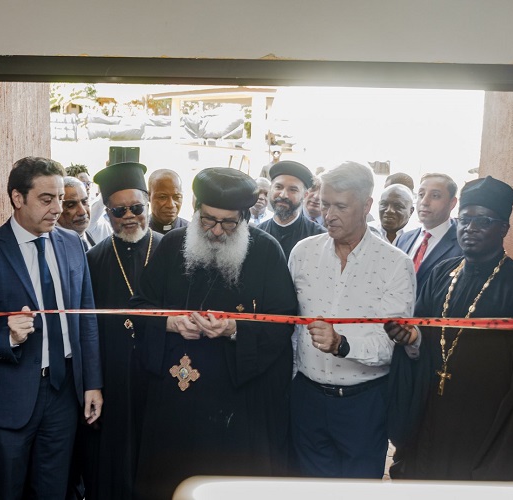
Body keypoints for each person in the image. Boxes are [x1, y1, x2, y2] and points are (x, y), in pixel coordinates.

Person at [131, 167, 298, 500]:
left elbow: (284, 321)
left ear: (244, 218)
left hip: (237, 403)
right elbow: (139, 308)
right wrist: (171, 323)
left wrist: (235, 328)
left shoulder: (266, 252)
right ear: (196, 210)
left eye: (228, 223)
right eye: (208, 220)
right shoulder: (173, 244)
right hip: (177, 397)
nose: (217, 231)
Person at [0, 156, 103, 500]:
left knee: (53, 492)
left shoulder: (72, 243)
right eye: (46, 200)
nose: (57, 208)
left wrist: (92, 383)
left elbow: (87, 318)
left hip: (65, 394)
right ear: (18, 198)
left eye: (60, 198)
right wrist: (6, 336)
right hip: (6, 402)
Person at [385, 175, 513, 481]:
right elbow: (421, 334)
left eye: (483, 221)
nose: (470, 229)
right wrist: (410, 337)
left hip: (480, 422)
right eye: (465, 220)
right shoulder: (442, 273)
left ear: (504, 229)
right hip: (429, 410)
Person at [289, 161, 416, 478]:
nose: (328, 215)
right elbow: (290, 329)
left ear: (367, 206)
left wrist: (341, 344)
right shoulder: (302, 254)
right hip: (305, 400)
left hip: (363, 407)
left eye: (340, 206)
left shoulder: (395, 265)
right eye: (325, 204)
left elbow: (391, 345)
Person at [82, 161, 163, 500]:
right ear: (108, 213)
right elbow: (86, 327)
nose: (129, 216)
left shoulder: (170, 250)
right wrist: (94, 382)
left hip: (161, 372)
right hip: (115, 376)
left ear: (148, 204)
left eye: (137, 207)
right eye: (118, 209)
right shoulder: (93, 259)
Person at [395, 173, 463, 293]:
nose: (424, 202)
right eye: (421, 195)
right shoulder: (404, 239)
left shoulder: (461, 245)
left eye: (435, 196)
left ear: (452, 203)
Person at [258, 161, 326, 258]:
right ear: (270, 190)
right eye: (278, 187)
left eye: (293, 190)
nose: (283, 195)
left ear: (304, 195)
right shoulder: (257, 234)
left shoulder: (320, 236)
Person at [58, 177, 95, 250]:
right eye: (71, 205)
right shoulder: (52, 248)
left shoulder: (89, 237)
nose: (82, 211)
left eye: (84, 202)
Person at [147, 168, 187, 234]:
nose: (171, 205)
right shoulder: (138, 231)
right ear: (148, 196)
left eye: (177, 197)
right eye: (163, 197)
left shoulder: (192, 233)